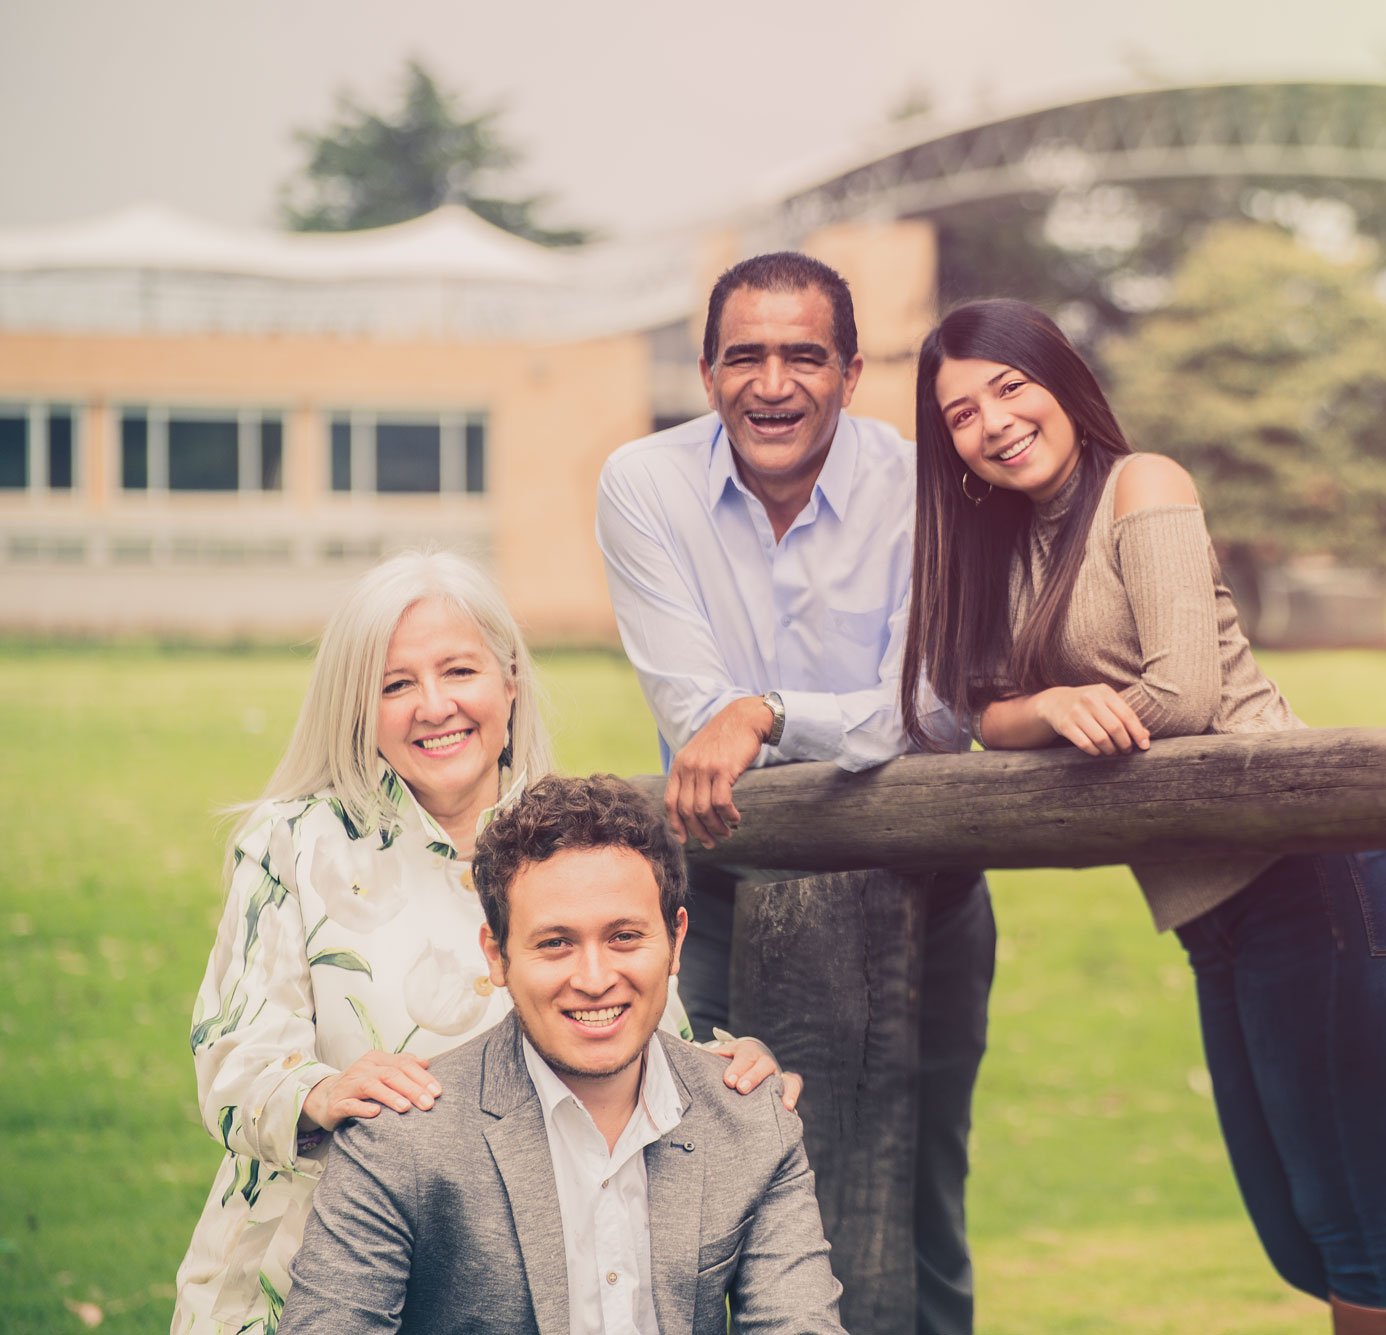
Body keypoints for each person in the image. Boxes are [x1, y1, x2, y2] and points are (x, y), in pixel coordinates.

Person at [900, 299, 1386, 1335]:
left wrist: (1048, 724)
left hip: (1313, 874)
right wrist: (1040, 707)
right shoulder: (999, 547)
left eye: (1009, 386)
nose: (993, 420)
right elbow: (975, 712)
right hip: (1212, 906)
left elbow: (1183, 697)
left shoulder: (1139, 485)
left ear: (1063, 382)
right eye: (961, 412)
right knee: (1304, 1240)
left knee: (1355, 1236)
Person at [173, 551, 790, 1335]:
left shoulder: (577, 837)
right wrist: (319, 1093)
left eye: (457, 671)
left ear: (509, 682)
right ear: (358, 706)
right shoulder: (295, 841)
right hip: (306, 1278)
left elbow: (639, 1040)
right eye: (395, 684)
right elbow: (232, 1061)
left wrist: (724, 1072)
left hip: (513, 1285)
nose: (433, 706)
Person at [597, 251, 993, 1335]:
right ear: (706, 372)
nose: (772, 383)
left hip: (924, 893)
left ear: (852, 371)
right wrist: (756, 719)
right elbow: (691, 721)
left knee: (921, 1202)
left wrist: (766, 711)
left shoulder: (922, 486)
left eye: (803, 356)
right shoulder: (643, 485)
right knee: (703, 1197)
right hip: (719, 890)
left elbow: (931, 711)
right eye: (745, 357)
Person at [280, 773, 846, 1334]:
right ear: (497, 956)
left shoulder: (753, 1122)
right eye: (556, 943)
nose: (595, 978)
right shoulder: (397, 1142)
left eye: (624, 936)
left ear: (675, 941)